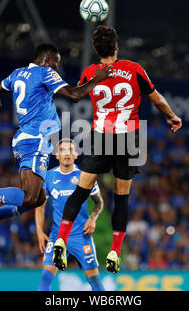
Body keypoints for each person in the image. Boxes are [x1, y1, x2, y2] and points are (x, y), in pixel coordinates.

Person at [0, 43, 112, 246]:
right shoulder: (45, 73)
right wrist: (97, 80)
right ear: (47, 60)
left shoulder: (17, 74)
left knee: (38, 199)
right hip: (35, 140)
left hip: (28, 140)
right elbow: (74, 95)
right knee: (30, 198)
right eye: (56, 64)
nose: (56, 69)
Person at [52, 26, 182, 274]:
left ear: (95, 49)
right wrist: (172, 116)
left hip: (100, 136)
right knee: (121, 198)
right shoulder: (134, 69)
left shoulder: (90, 72)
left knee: (80, 192)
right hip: (128, 137)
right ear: (116, 47)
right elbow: (157, 99)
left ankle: (61, 239)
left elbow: (78, 93)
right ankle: (115, 251)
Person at [36, 138, 105, 291]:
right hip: (57, 236)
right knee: (46, 277)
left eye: (70, 150)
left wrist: (93, 219)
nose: (67, 153)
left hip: (81, 235)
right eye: (63, 150)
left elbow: (99, 203)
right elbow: (40, 207)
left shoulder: (86, 176)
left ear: (76, 154)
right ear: (57, 155)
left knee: (95, 281)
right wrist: (40, 232)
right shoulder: (48, 177)